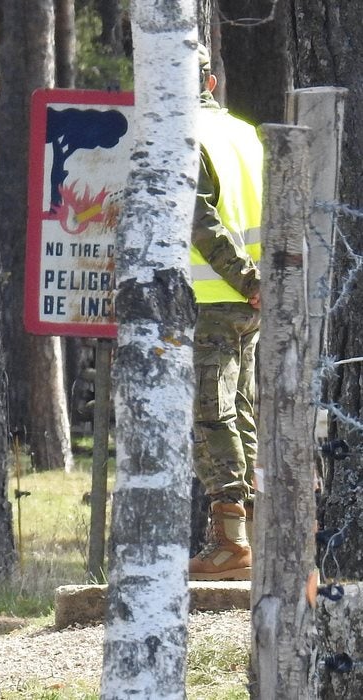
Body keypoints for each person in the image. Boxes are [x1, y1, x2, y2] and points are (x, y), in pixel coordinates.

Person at [187, 44, 263, 581]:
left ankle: (232, 542)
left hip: (214, 295)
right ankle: (258, 534)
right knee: (241, 412)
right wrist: (263, 284)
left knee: (211, 417)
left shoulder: (179, 137)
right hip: (252, 301)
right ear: (212, 84)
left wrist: (246, 279)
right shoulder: (244, 133)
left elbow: (199, 220)